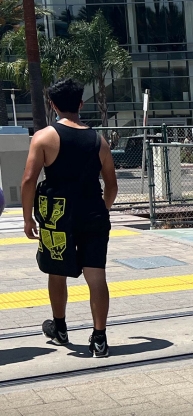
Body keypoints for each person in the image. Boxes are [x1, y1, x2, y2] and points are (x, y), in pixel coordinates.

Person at [20, 78, 117, 357]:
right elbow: (112, 185)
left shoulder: (44, 137)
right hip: (93, 213)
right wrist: (103, 210)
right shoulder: (99, 141)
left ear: (52, 105)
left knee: (56, 270)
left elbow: (28, 180)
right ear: (81, 104)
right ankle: (99, 339)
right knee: (96, 275)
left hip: (57, 215)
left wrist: (28, 219)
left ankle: (60, 328)